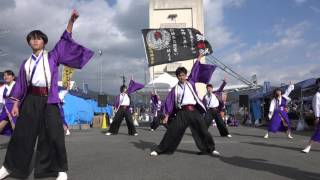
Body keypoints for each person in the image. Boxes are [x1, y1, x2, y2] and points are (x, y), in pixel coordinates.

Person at [0, 10, 94, 180]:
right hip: (30, 100)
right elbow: (20, 85)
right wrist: (15, 104)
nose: (35, 40)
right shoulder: (25, 63)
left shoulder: (52, 56)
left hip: (49, 100)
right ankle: (9, 167)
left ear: (44, 42)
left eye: (38, 38)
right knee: (22, 134)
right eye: (32, 38)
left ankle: (60, 169)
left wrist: (71, 21)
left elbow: (64, 41)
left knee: (53, 134)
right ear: (29, 42)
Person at [150, 56, 219, 156]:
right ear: (177, 77)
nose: (181, 77)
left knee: (202, 130)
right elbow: (169, 102)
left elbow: (195, 70)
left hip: (194, 111)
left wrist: (198, 59)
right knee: (172, 130)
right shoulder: (175, 89)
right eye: (179, 75)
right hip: (182, 113)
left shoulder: (191, 82)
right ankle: (160, 149)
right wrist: (167, 115)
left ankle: (210, 149)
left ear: (186, 75)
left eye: (183, 75)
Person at [302, 78, 320, 153]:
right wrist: (317, 116)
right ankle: (308, 146)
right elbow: (316, 106)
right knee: (318, 132)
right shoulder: (318, 95)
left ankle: (308, 146)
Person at [0, 70, 17, 136]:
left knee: (15, 127)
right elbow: (1, 101)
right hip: (6, 110)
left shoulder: (18, 86)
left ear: (13, 77)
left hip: (16, 110)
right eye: (4, 75)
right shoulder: (2, 88)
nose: (6, 76)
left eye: (8, 75)